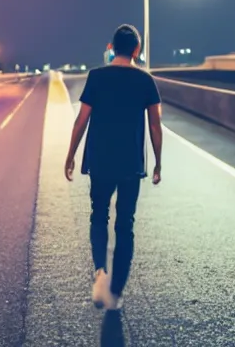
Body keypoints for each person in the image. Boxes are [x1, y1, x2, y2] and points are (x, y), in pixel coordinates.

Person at [64, 24, 163, 311]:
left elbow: (81, 120)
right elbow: (155, 126)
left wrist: (70, 155)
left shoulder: (96, 76)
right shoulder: (145, 80)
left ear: (112, 47)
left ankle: (100, 272)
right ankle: (116, 290)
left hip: (100, 159)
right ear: (136, 49)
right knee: (125, 224)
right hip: (131, 162)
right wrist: (158, 162)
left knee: (98, 215)